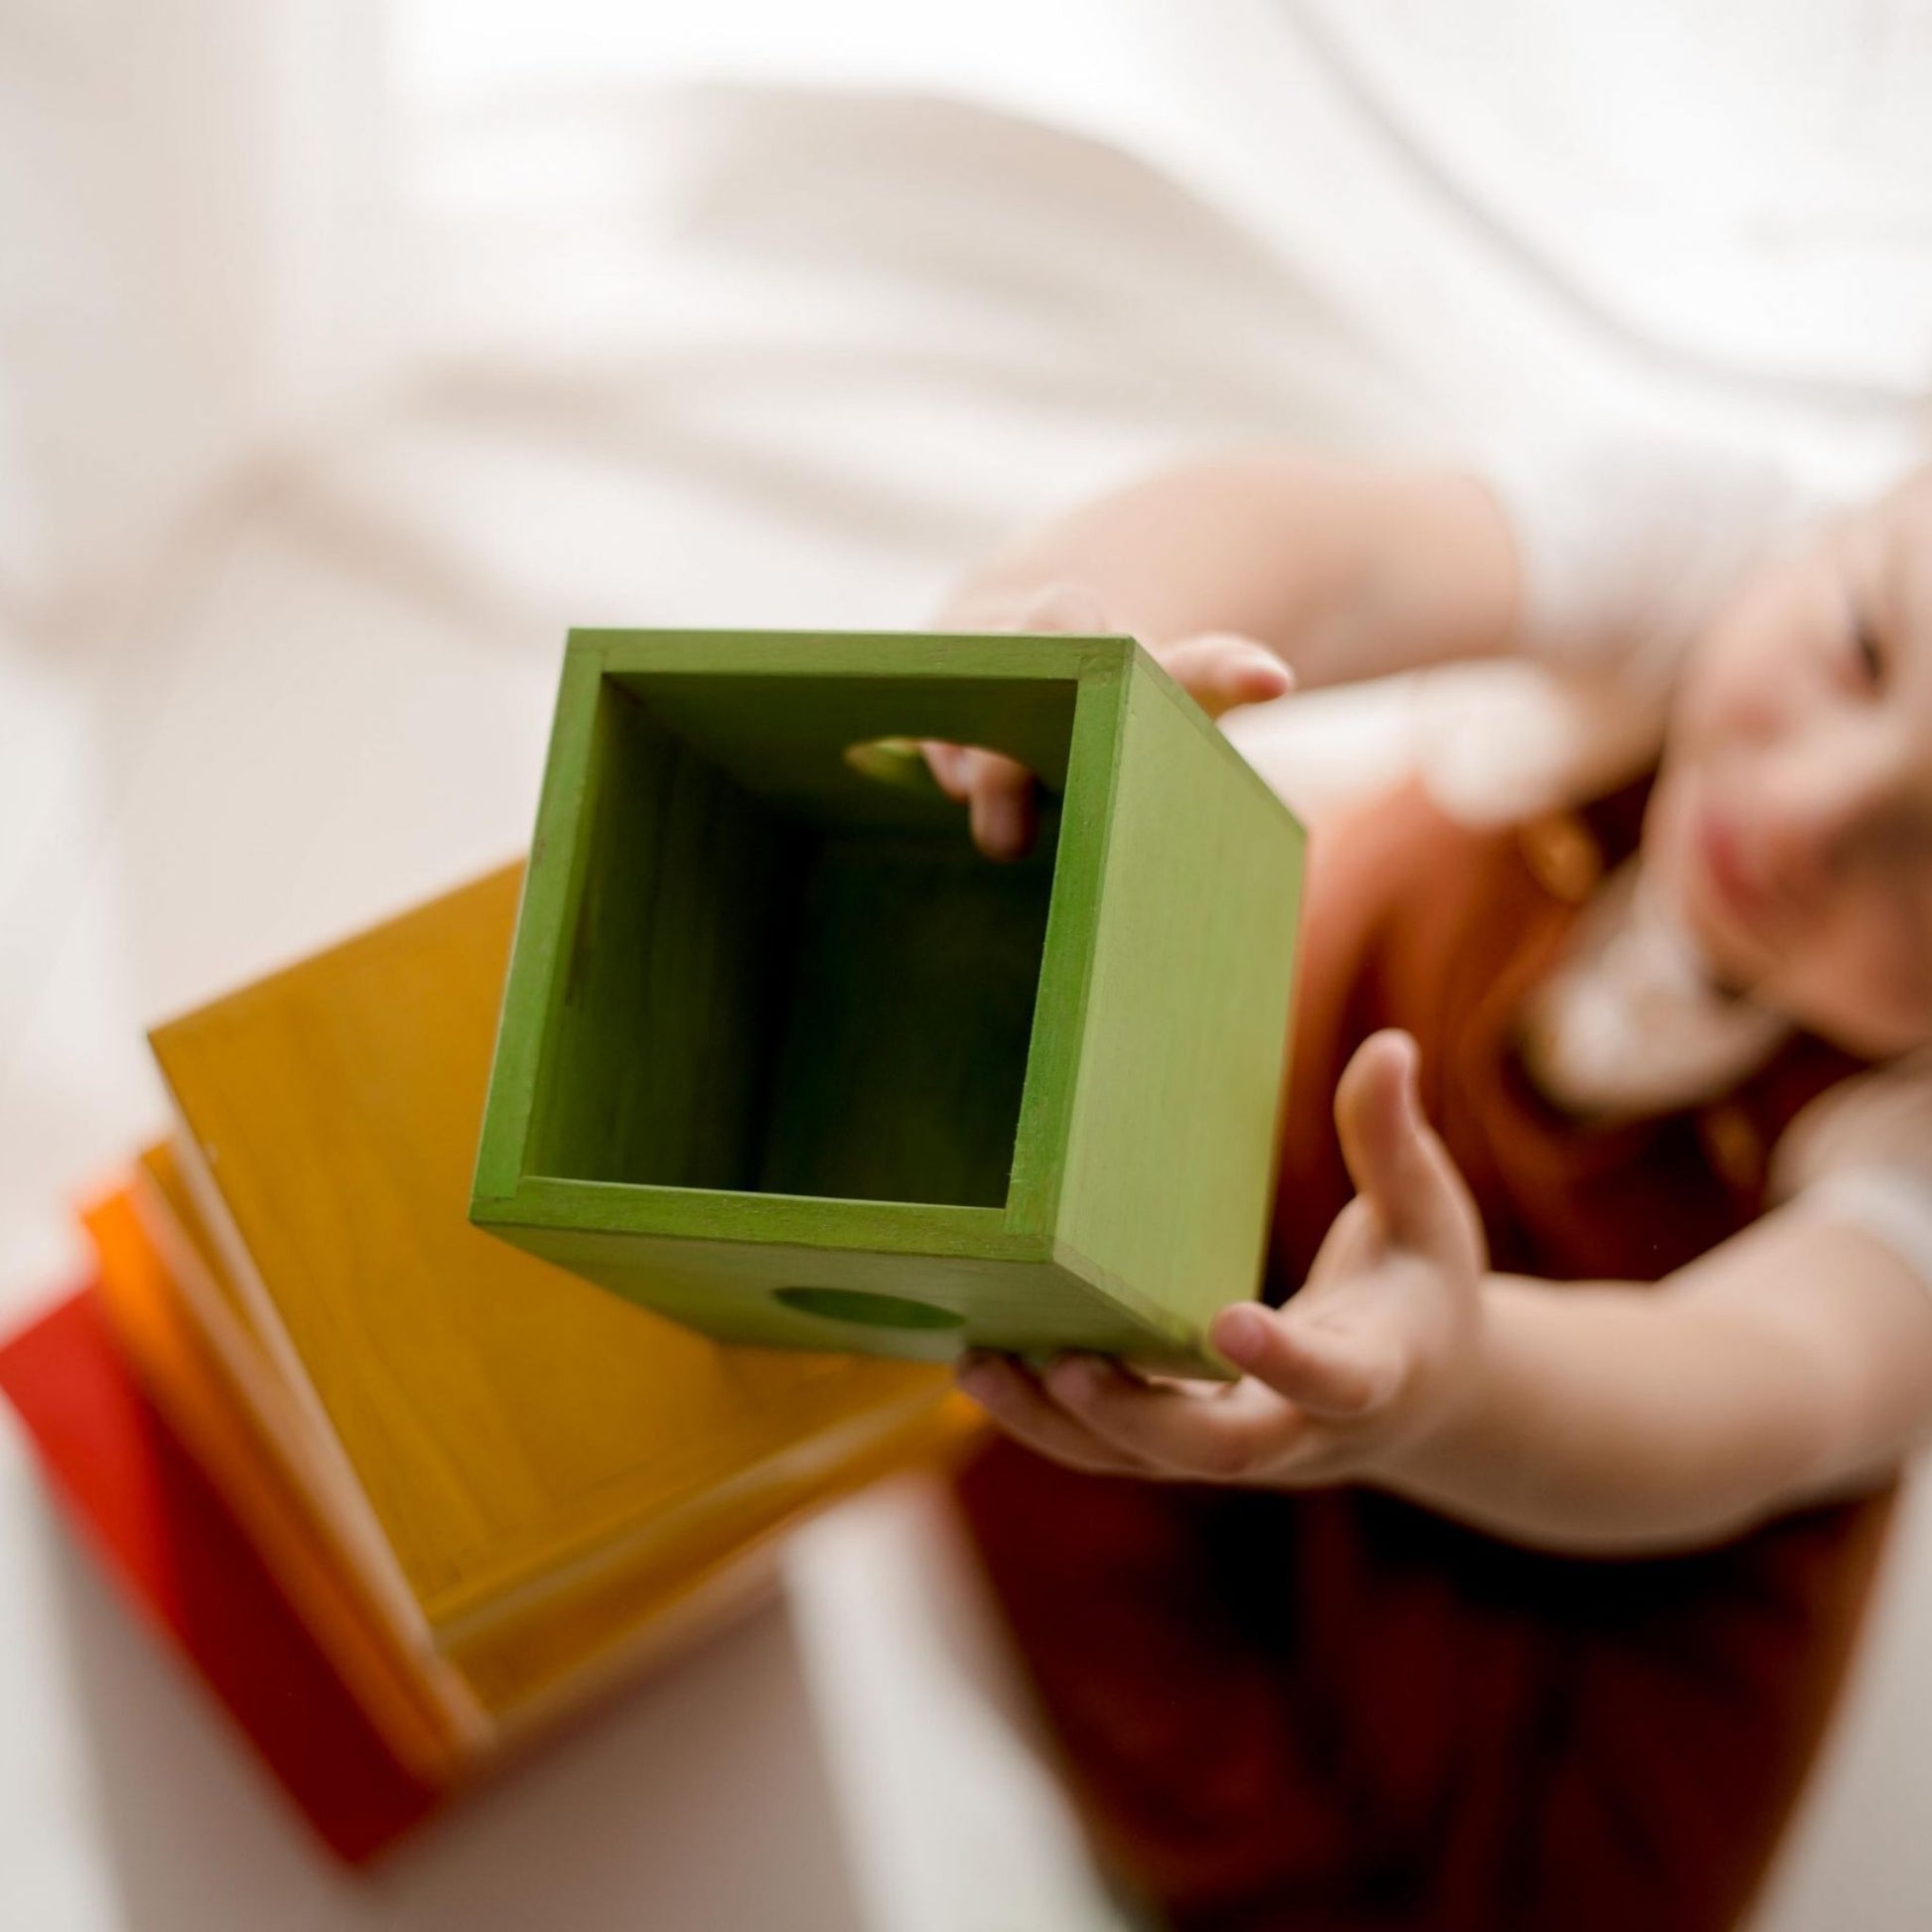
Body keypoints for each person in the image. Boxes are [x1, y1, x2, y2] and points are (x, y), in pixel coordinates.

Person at [922, 447, 1932, 1931]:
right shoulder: (1708, 558)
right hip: (1292, 1182)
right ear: (1845, 525)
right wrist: (1090, 628)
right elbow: (1340, 550)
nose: (1799, 819)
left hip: (1587, 1503)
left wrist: (1452, 1381)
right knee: (1011, 1415)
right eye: (1858, 648)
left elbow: (1761, 1377)